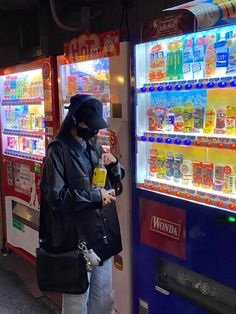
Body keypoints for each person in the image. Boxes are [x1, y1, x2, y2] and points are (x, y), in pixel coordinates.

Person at [39, 94, 125, 314]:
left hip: (101, 235)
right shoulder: (57, 151)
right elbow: (56, 198)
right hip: (76, 240)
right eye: (91, 126)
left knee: (104, 298)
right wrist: (96, 198)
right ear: (75, 121)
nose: (95, 132)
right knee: (77, 303)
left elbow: (110, 180)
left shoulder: (93, 145)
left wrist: (115, 165)